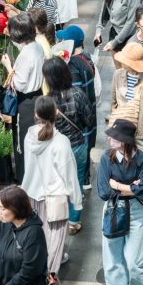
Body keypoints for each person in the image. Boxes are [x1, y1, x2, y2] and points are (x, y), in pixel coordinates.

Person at [22, 96, 82, 278]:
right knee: (54, 239)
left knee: (37, 236)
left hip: (32, 194)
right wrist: (77, 202)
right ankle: (49, 276)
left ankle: (38, 267)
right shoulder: (60, 141)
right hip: (54, 197)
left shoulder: (29, 135)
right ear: (56, 113)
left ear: (36, 114)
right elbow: (69, 174)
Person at [97, 120, 143, 285]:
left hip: (135, 210)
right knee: (113, 254)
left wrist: (119, 186)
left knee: (135, 256)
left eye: (114, 136)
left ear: (124, 141)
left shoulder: (142, 159)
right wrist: (132, 187)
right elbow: (104, 191)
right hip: (113, 209)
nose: (109, 138)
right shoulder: (106, 158)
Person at [107, 41, 143, 216]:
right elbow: (113, 101)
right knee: (122, 162)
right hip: (122, 130)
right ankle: (124, 192)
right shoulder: (118, 75)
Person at [43, 58, 94, 234]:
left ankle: (57, 215)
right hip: (77, 145)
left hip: (54, 148)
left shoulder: (46, 102)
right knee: (77, 181)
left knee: (57, 182)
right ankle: (73, 221)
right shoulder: (78, 94)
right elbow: (89, 120)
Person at [56, 26, 98, 189]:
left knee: (80, 151)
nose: (61, 42)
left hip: (79, 121)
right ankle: (86, 178)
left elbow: (72, 96)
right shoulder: (86, 58)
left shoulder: (73, 66)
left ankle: (82, 181)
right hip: (90, 113)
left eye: (63, 40)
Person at [9, 13, 46, 182]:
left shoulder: (25, 54)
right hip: (37, 97)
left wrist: (9, 67)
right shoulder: (37, 46)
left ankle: (25, 182)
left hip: (26, 101)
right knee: (36, 141)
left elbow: (19, 84)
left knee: (23, 143)